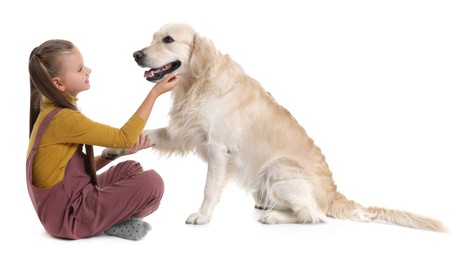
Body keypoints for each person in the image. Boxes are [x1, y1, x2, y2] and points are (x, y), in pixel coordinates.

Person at [27, 39, 179, 241]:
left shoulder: (52, 110)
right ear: (58, 83)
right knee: (153, 182)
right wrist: (155, 92)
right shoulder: (63, 119)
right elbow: (124, 137)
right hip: (68, 219)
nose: (88, 70)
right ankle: (111, 220)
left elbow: (77, 173)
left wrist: (120, 153)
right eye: (80, 69)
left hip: (72, 201)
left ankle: (109, 219)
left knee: (130, 168)